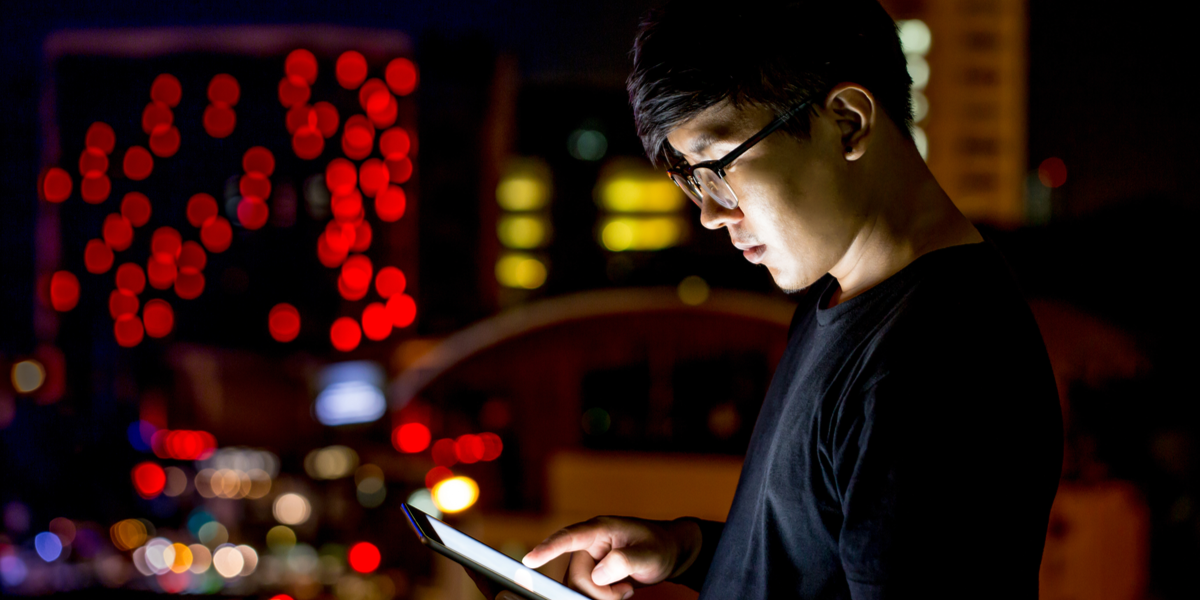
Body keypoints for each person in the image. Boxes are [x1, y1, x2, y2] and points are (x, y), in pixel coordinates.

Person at [477, 0, 1063, 598]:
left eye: (720, 166)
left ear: (847, 122)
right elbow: (824, 561)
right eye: (692, 179)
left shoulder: (941, 362)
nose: (708, 213)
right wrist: (686, 550)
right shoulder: (838, 298)